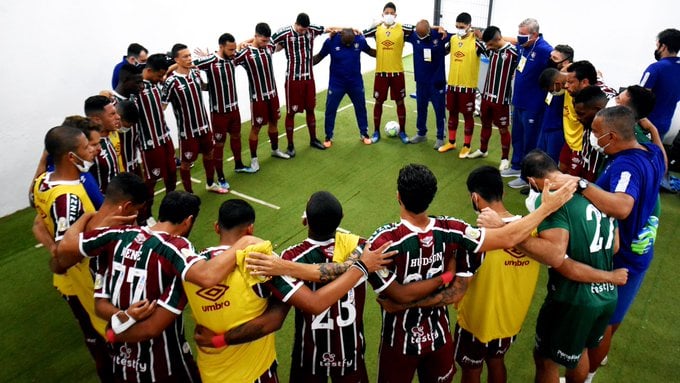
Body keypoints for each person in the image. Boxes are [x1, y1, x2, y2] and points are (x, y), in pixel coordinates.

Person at [367, 163, 576, 383]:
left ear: (398, 196)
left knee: (471, 369)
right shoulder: (454, 230)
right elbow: (508, 239)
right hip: (447, 335)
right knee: (494, 362)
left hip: (404, 340)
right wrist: (547, 208)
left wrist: (412, 300)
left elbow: (399, 296)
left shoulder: (382, 242)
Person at [55, 191, 267, 382]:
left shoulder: (118, 236)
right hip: (165, 365)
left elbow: (65, 248)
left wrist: (86, 217)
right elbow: (206, 277)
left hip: (122, 362)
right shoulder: (177, 249)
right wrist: (242, 244)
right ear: (189, 221)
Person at [554, 106, 665, 382]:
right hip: (640, 253)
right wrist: (652, 131)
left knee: (598, 326)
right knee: (611, 320)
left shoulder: (626, 165)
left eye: (596, 133)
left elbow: (622, 206)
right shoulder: (651, 152)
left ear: (612, 136)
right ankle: (596, 363)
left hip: (619, 258)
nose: (593, 137)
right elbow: (663, 153)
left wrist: (581, 184)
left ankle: (586, 374)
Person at [518, 149, 627, 383]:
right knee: (580, 353)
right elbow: (615, 245)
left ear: (532, 181)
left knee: (546, 359)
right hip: (606, 296)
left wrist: (519, 237)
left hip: (573, 299)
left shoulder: (548, 198)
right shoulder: (596, 192)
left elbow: (556, 256)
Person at [31, 126, 112, 381]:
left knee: (93, 335)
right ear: (69, 156)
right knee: (103, 337)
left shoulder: (43, 181)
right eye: (86, 147)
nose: (92, 151)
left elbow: (37, 225)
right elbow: (67, 254)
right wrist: (59, 254)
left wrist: (53, 248)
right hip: (83, 282)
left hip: (71, 282)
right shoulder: (68, 199)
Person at [164, 43, 227, 194]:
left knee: (209, 154)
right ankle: (189, 194)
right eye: (185, 56)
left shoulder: (196, 73)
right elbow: (162, 106)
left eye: (190, 55)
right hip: (187, 131)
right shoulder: (171, 82)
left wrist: (210, 69)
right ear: (176, 60)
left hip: (204, 126)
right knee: (186, 163)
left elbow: (205, 87)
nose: (189, 58)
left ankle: (210, 183)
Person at [194, 33, 256, 181]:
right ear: (221, 47)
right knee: (219, 144)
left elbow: (247, 44)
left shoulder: (232, 58)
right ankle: (221, 176)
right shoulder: (209, 61)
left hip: (234, 109)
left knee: (236, 136)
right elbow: (190, 68)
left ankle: (239, 164)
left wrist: (245, 44)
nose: (234, 52)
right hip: (218, 113)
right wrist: (202, 84)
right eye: (230, 49)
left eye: (234, 49)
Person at [502, 18, 552, 189]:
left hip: (534, 104)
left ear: (535, 34)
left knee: (530, 141)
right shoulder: (524, 46)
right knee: (517, 136)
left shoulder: (545, 50)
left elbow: (559, 66)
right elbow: (512, 40)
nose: (519, 37)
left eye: (523, 34)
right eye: (519, 33)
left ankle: (527, 175)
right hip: (519, 100)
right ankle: (516, 166)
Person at [234, 22, 291, 172]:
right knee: (256, 128)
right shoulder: (245, 54)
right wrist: (240, 45)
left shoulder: (269, 47)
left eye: (267, 40)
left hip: (272, 94)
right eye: (263, 40)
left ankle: (275, 149)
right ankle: (254, 160)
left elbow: (275, 42)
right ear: (256, 36)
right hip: (257, 98)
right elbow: (231, 62)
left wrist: (246, 42)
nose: (266, 43)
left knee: (274, 122)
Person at [272, 12, 327, 156]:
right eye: (301, 29)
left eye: (305, 30)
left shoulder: (311, 30)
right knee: (291, 112)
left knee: (310, 109)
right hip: (293, 80)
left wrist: (349, 29)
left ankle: (313, 139)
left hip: (309, 78)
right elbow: (266, 41)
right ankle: (290, 146)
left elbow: (329, 29)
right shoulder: (284, 33)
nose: (304, 32)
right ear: (296, 24)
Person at [313, 28, 376, 146]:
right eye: (345, 43)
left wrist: (386, 52)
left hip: (355, 83)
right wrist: (304, 62)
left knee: (361, 108)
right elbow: (319, 56)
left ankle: (364, 134)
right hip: (337, 84)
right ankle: (328, 137)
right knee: (330, 110)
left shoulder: (360, 40)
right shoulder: (331, 41)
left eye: (350, 44)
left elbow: (370, 51)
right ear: (340, 37)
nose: (348, 45)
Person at [363, 2, 414, 144]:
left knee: (400, 102)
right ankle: (376, 131)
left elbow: (421, 28)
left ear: (395, 15)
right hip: (381, 73)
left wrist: (437, 28)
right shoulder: (377, 29)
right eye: (387, 13)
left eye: (392, 13)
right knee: (378, 102)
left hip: (397, 73)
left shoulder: (403, 29)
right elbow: (361, 34)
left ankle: (402, 132)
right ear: (383, 14)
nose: (389, 15)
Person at [134, 53, 177, 223]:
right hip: (149, 143)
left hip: (165, 138)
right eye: (159, 75)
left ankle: (169, 208)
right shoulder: (136, 88)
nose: (162, 78)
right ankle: (146, 215)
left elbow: (167, 72)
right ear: (149, 71)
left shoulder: (156, 83)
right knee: (151, 181)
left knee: (172, 174)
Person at [438, 12, 484, 157]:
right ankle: (451, 142)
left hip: (468, 87)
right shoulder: (452, 39)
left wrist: (482, 37)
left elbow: (489, 51)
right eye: (457, 26)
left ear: (469, 26)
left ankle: (467, 145)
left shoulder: (476, 41)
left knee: (467, 115)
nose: (459, 29)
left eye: (462, 26)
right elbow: (441, 51)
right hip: (452, 84)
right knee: (451, 113)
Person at [475, 26, 517, 168]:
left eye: (490, 44)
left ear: (498, 39)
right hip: (486, 96)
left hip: (502, 99)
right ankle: (482, 150)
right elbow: (479, 41)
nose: (487, 47)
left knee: (503, 129)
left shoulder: (513, 53)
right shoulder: (490, 49)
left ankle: (505, 159)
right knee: (485, 124)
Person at [407, 19, 450, 149]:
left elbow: (458, 39)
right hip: (421, 81)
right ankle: (421, 133)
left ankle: (440, 137)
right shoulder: (413, 35)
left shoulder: (440, 35)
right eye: (418, 35)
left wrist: (440, 29)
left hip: (437, 81)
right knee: (421, 108)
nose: (420, 37)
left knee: (439, 110)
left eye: (423, 35)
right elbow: (398, 27)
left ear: (429, 30)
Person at [640, 28, 680, 139]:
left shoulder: (655, 68)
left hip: (646, 126)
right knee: (655, 154)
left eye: (657, 45)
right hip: (665, 125)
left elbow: (639, 99)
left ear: (663, 47)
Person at [84, 95, 121, 193]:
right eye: (112, 114)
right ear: (96, 120)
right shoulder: (88, 148)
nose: (118, 117)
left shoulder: (108, 137)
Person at [537, 68, 567, 164]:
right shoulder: (554, 82)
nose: (550, 92)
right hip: (545, 127)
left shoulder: (569, 90)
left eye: (550, 90)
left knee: (551, 163)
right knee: (538, 158)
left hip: (557, 130)